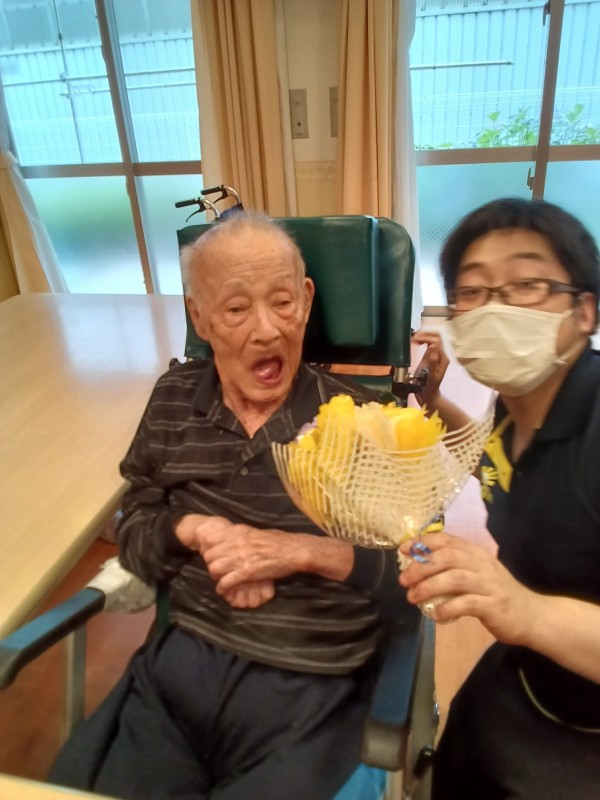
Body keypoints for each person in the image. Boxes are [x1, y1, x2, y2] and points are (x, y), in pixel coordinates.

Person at [49, 211, 400, 800]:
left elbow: (414, 573)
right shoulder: (173, 399)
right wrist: (194, 530)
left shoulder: (368, 423)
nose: (266, 331)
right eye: (237, 309)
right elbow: (134, 528)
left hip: (313, 687)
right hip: (178, 673)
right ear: (200, 317)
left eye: (282, 302)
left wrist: (304, 552)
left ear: (306, 300)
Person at [401, 197, 600, 800]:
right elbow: (493, 462)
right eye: (473, 290)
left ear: (585, 311)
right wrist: (433, 401)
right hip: (526, 671)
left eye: (526, 284)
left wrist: (522, 608)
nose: (495, 307)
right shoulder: (517, 410)